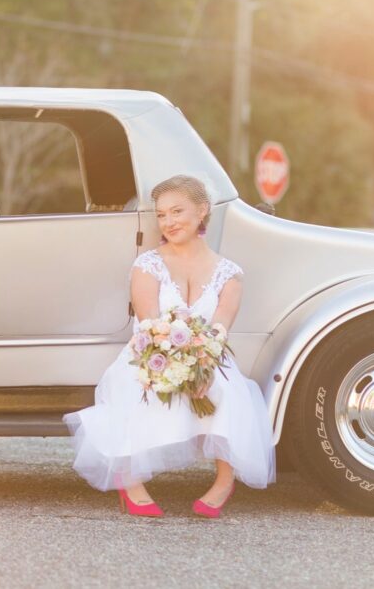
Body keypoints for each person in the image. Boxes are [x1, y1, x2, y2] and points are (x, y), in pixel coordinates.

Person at [64, 175, 275, 518]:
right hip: (149, 354)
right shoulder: (148, 265)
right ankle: (129, 478)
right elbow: (149, 323)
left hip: (206, 356)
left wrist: (200, 367)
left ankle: (224, 480)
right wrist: (175, 364)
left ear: (202, 211)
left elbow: (219, 330)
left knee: (228, 388)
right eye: (162, 215)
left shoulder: (230, 274)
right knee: (141, 387)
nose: (169, 221)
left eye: (177, 211)